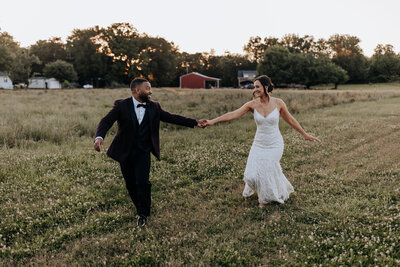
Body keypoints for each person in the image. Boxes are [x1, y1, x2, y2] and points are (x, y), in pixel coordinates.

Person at [94, 78, 206, 226]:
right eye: (148, 88)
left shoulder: (155, 106)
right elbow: (106, 121)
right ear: (137, 90)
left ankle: (143, 214)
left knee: (143, 182)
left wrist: (195, 122)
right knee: (130, 184)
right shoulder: (121, 105)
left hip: (143, 151)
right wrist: (99, 137)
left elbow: (171, 118)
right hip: (125, 151)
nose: (150, 91)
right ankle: (139, 207)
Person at [204, 75, 320, 208]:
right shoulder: (252, 105)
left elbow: (291, 120)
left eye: (257, 86)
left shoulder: (278, 103)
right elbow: (232, 114)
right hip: (258, 144)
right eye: (254, 87)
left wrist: (305, 134)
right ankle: (269, 190)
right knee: (251, 175)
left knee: (266, 170)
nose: (255, 90)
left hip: (275, 144)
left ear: (266, 87)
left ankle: (263, 199)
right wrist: (212, 121)